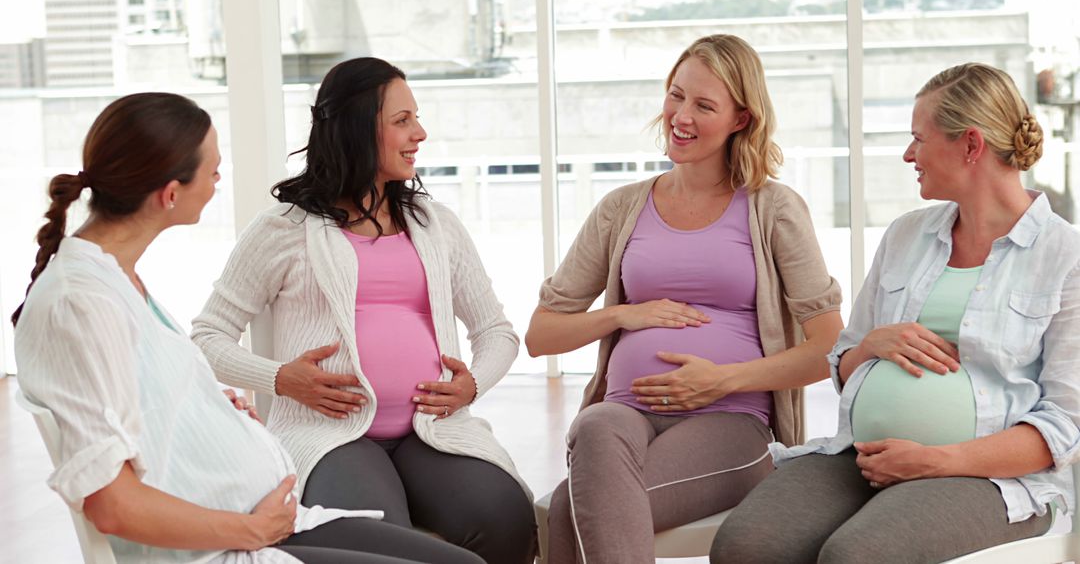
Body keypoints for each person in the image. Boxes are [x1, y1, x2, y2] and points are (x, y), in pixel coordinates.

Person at [12, 92, 486, 563]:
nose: (220, 181)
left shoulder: (116, 279)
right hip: (228, 545)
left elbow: (140, 407)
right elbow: (112, 506)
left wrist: (212, 407)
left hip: (271, 521)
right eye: (213, 170)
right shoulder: (80, 303)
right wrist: (251, 528)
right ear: (170, 194)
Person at [711, 63, 1080, 564]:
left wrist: (937, 461)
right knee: (745, 547)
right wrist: (870, 346)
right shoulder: (906, 235)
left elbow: (1064, 424)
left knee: (858, 556)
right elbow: (842, 363)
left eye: (919, 139)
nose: (909, 155)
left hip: (993, 477)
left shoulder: (1066, 257)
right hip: (862, 454)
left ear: (971, 145)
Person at [190, 57, 535, 564]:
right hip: (331, 438)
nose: (419, 133)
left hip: (431, 431)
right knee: (378, 542)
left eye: (415, 118)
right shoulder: (283, 229)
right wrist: (282, 378)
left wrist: (473, 383)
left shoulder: (437, 226)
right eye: (402, 121)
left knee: (505, 516)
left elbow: (496, 331)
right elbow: (206, 337)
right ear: (355, 129)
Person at [524, 34, 843, 563]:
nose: (681, 115)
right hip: (625, 414)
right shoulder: (621, 208)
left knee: (570, 509)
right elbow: (541, 335)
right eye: (676, 95)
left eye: (704, 105)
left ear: (741, 119)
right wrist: (624, 313)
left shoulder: (774, 208)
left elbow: (829, 348)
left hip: (732, 421)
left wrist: (721, 379)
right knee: (595, 423)